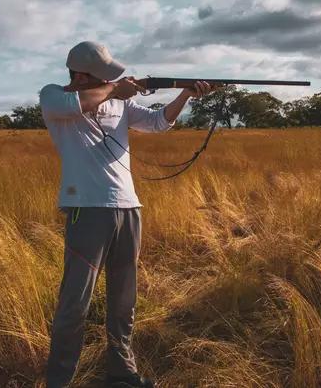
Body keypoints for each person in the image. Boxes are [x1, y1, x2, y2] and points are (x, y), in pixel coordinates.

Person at [39, 41, 212, 388]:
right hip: (86, 209)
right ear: (82, 74)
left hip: (128, 207)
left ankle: (122, 372)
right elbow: (77, 104)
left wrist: (185, 95)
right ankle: (59, 380)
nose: (113, 82)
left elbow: (158, 123)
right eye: (104, 77)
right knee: (75, 302)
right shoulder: (53, 96)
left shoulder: (119, 100)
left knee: (123, 300)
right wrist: (116, 89)